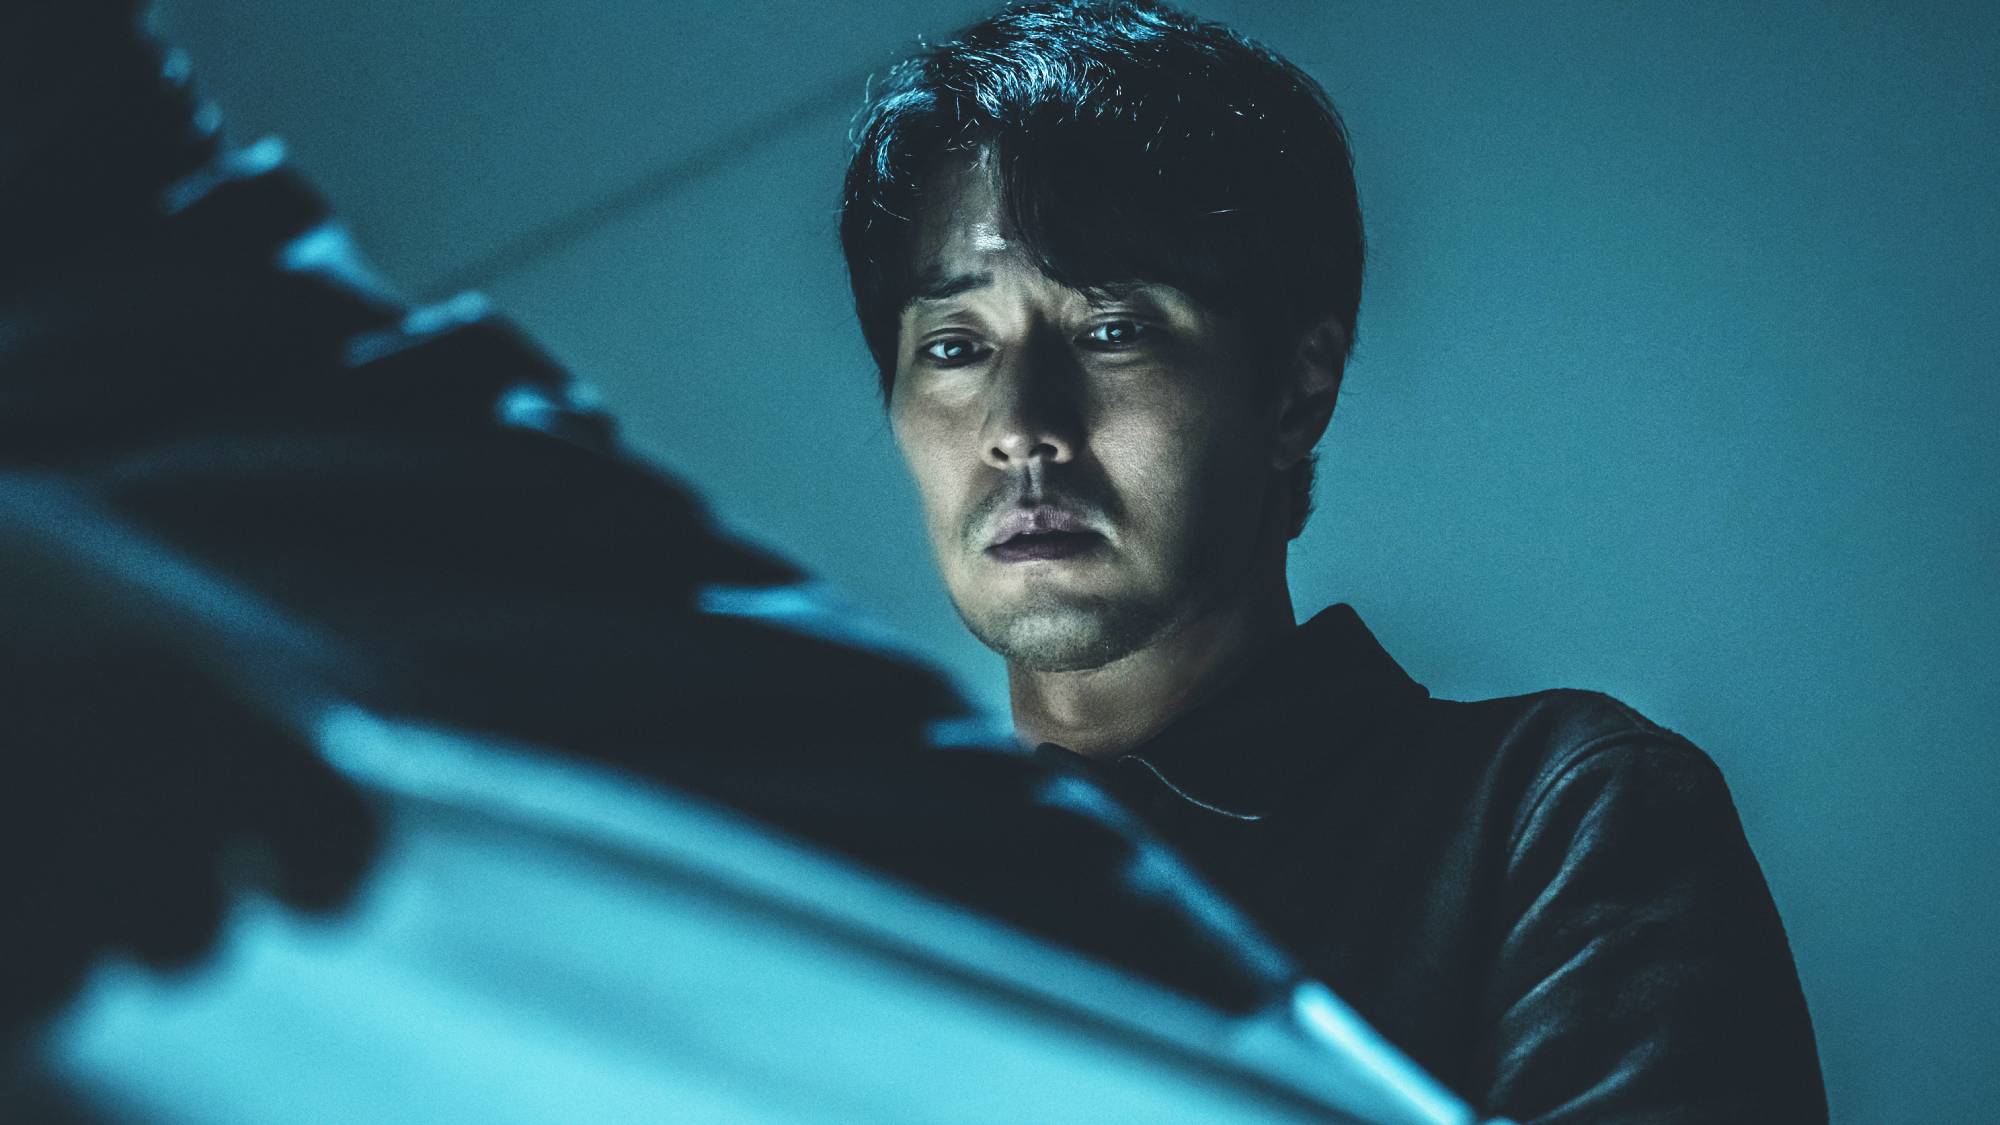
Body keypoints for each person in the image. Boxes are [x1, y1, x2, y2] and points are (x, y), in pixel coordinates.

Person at [839, 1, 1827, 1120]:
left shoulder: (1557, 816)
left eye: (1113, 329)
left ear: (1297, 390)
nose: (1021, 428)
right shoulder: (863, 904)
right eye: (954, 348)